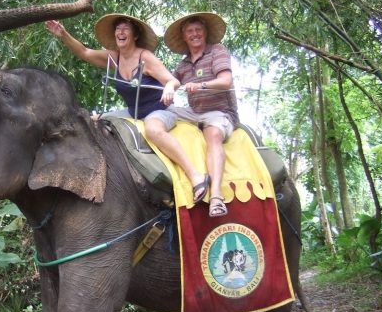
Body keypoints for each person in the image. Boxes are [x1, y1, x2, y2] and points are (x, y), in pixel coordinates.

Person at [46, 14, 211, 202]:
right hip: (133, 113)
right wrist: (63, 34)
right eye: (118, 28)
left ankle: (196, 176)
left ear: (135, 36)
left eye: (125, 28)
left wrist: (168, 88)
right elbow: (85, 52)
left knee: (153, 130)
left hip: (159, 110)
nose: (120, 32)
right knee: (91, 120)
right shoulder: (113, 58)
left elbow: (172, 80)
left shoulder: (145, 57)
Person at [146, 12, 239, 217]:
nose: (194, 34)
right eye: (190, 31)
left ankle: (215, 195)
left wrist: (201, 85)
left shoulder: (217, 51)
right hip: (193, 112)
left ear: (205, 33)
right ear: (184, 37)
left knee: (213, 135)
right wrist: (159, 84)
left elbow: (225, 81)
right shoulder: (183, 65)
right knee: (156, 114)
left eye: (198, 30)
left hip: (219, 111)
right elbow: (169, 81)